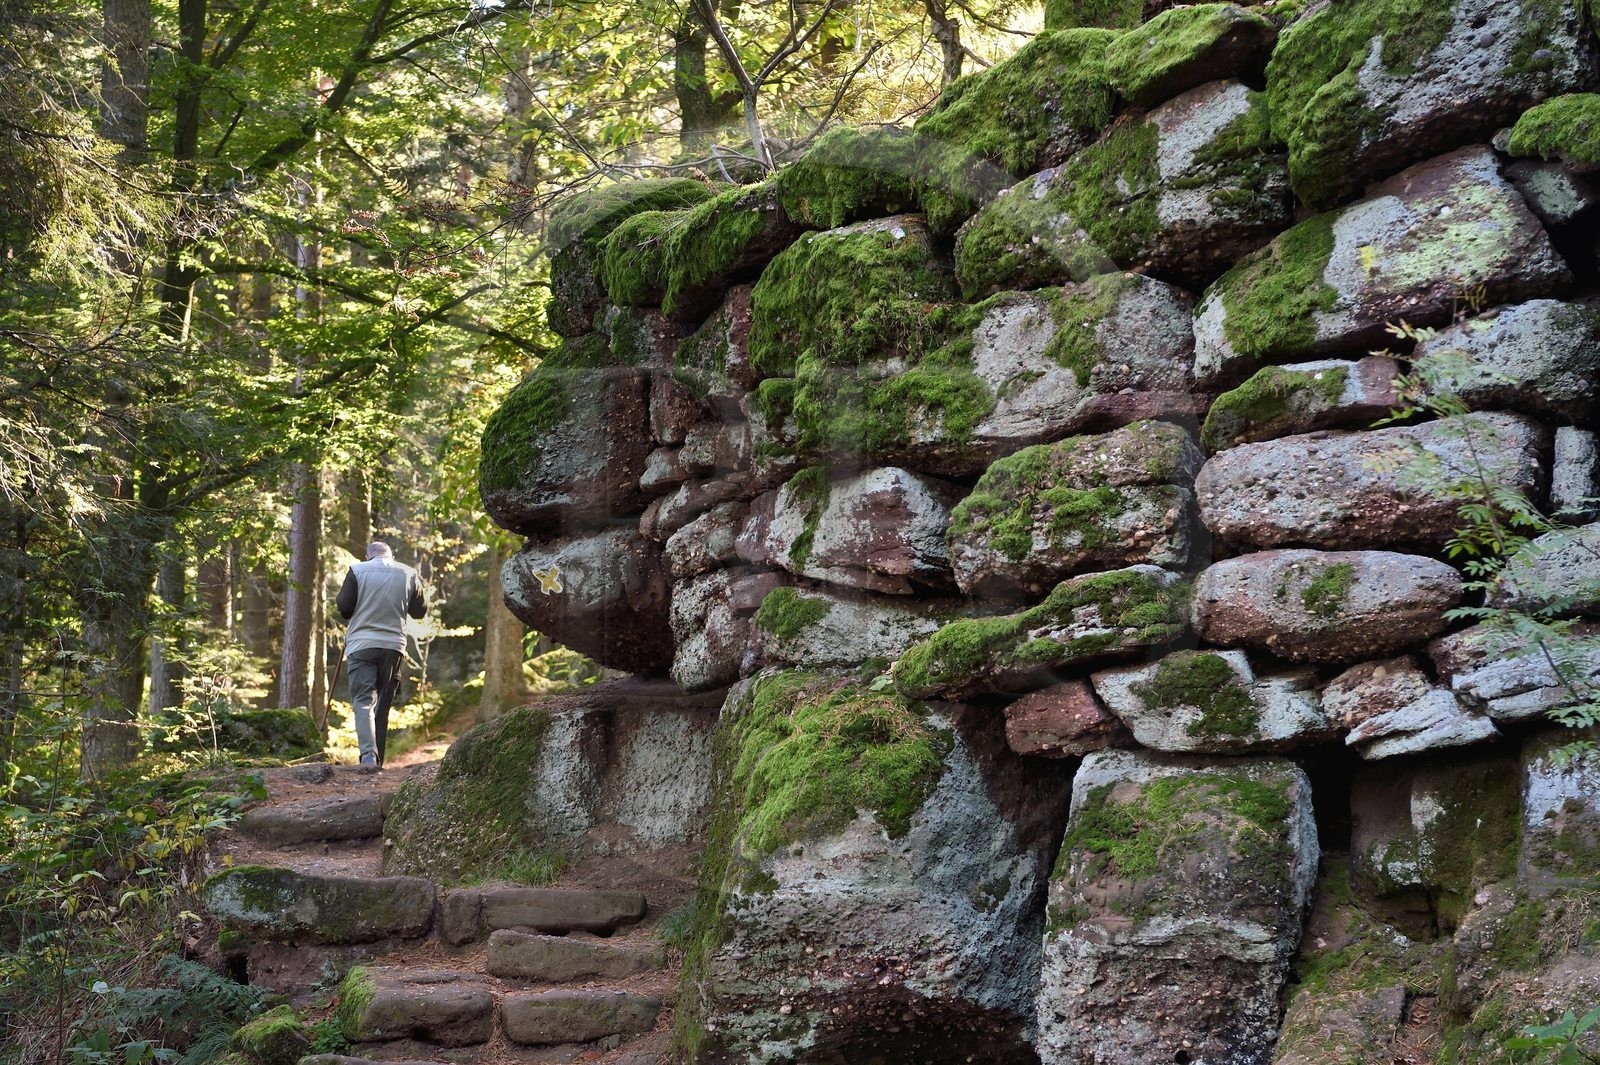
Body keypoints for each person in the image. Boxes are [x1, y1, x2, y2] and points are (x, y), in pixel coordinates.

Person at [336, 541, 426, 770]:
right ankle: (379, 760)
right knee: (383, 703)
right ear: (391, 554)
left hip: (362, 645)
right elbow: (419, 611)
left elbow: (344, 608)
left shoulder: (357, 570)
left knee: (363, 701)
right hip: (393, 645)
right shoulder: (408, 573)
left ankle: (368, 757)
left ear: (368, 555)